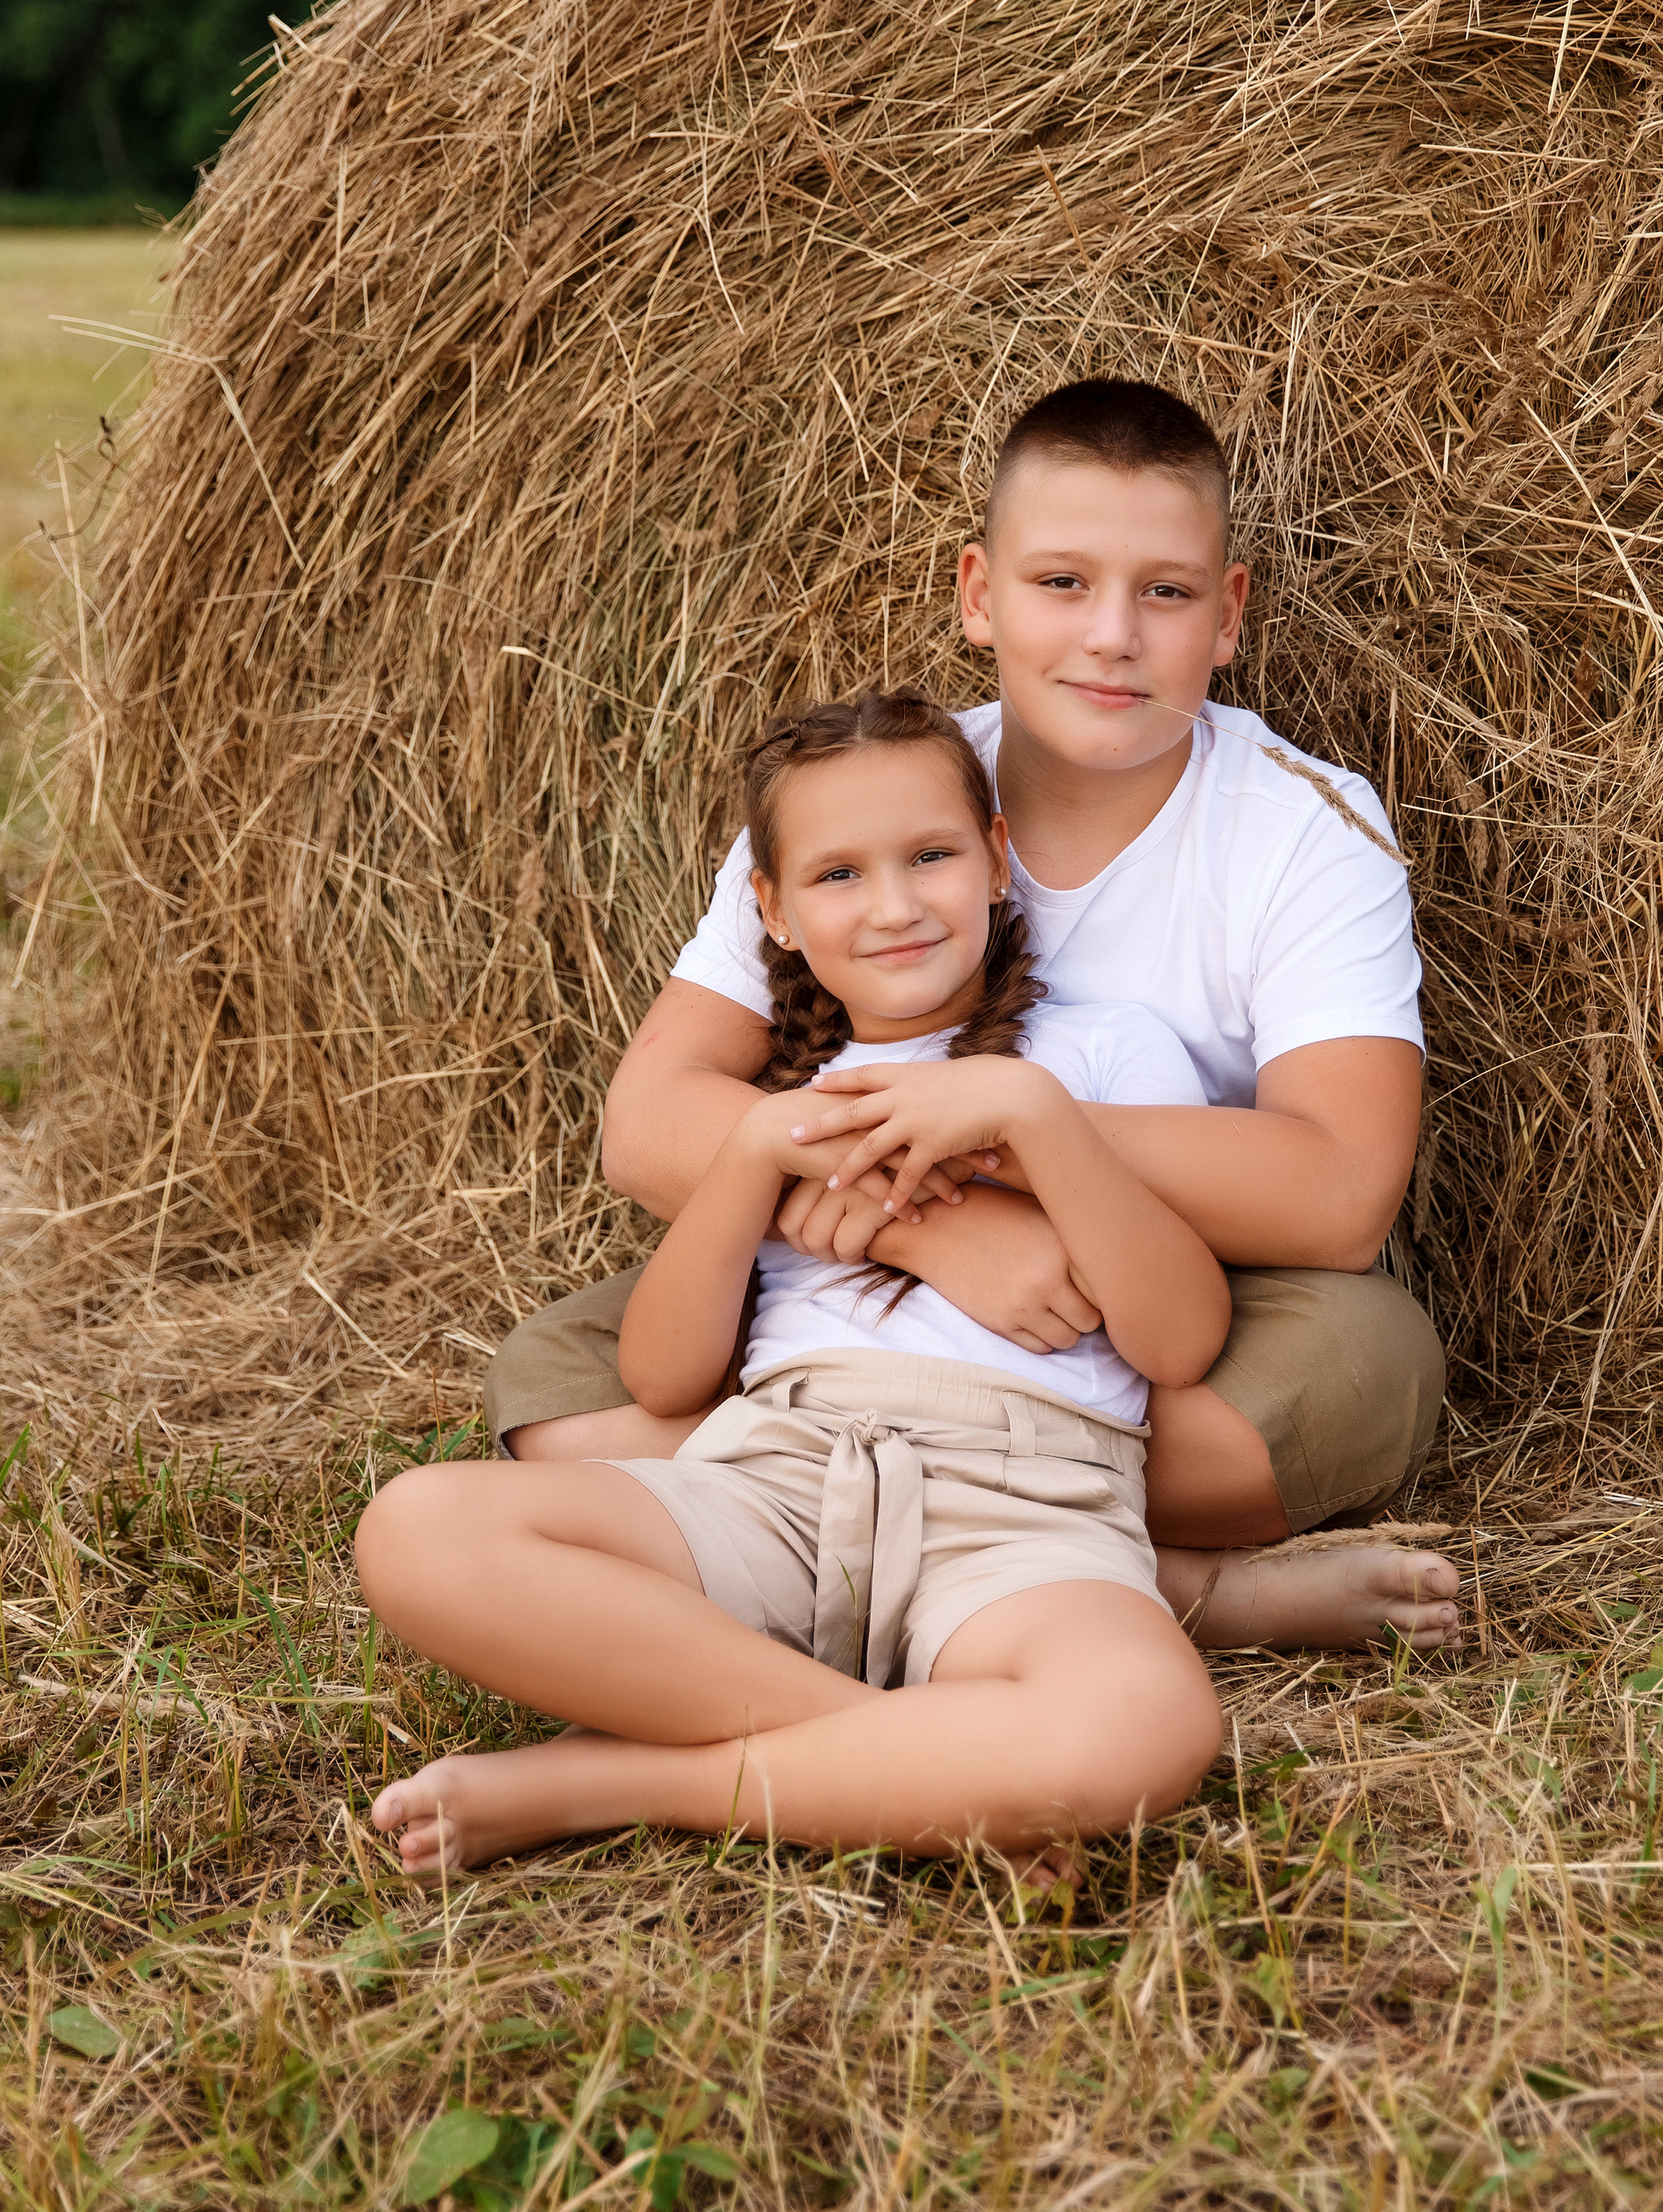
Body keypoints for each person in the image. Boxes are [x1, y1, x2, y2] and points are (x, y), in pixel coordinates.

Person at [486, 378, 1460, 1656]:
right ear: (978, 596)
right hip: (878, 1297)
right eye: (1061, 583)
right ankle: (1131, 1575)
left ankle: (822, 1527)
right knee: (551, 1385)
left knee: (1357, 1373)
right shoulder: (868, 799)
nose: (1111, 634)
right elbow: (650, 1118)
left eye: (1163, 593)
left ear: (1225, 619)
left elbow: (1339, 1196)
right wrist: (929, 1233)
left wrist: (1002, 1145)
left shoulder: (1305, 829)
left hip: (1179, 1291)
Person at [356, 689, 1244, 1878]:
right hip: (778, 1476)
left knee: (1148, 1727)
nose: (892, 905)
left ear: (996, 862)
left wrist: (1038, 1120)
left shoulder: (1099, 1052)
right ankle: (911, 1766)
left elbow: (1179, 1339)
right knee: (420, 1526)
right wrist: (754, 1158)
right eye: (837, 876)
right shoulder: (787, 1102)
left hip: (1023, 1510)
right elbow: (666, 1375)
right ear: (769, 911)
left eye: (931, 855)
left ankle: (608, 1781)